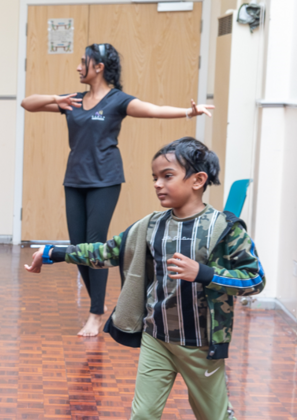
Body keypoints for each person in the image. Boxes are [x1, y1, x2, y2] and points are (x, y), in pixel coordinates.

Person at [24, 137, 267, 420]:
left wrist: (204, 273)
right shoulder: (150, 226)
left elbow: (254, 279)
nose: (157, 184)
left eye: (167, 176)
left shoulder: (224, 229)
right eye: (154, 176)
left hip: (202, 347)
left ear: (198, 180)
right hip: (158, 339)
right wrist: (55, 253)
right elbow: (106, 252)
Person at [20, 43, 214, 337]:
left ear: (98, 66)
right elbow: (27, 103)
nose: (77, 67)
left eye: (82, 62)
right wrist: (55, 99)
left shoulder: (116, 100)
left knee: (95, 241)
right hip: (74, 180)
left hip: (105, 180)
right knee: (77, 244)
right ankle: (96, 306)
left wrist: (190, 112)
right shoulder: (72, 101)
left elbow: (154, 110)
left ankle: (96, 314)